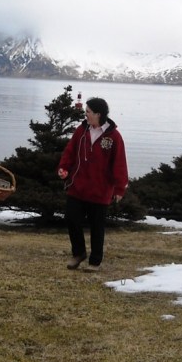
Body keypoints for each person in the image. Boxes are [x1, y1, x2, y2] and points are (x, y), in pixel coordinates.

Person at [56, 97, 128, 272]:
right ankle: (78, 253)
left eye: (88, 111)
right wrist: (63, 167)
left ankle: (95, 262)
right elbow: (70, 150)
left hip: (100, 190)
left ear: (98, 114)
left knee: (97, 227)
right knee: (71, 219)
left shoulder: (114, 137)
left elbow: (119, 162)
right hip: (78, 186)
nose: (85, 114)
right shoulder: (81, 131)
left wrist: (120, 188)